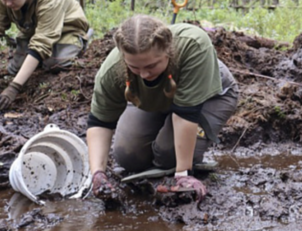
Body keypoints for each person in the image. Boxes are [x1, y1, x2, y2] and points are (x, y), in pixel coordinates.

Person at [87, 15, 239, 201]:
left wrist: (182, 175)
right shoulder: (112, 69)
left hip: (209, 98)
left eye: (151, 65)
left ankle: (182, 159)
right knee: (128, 158)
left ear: (168, 50)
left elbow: (186, 114)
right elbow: (99, 122)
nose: (143, 74)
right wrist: (97, 174)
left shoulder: (194, 45)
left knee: (168, 155)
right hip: (158, 100)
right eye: (135, 67)